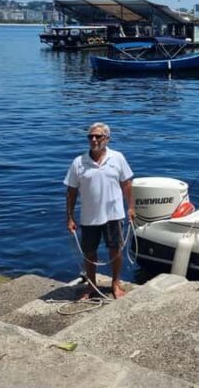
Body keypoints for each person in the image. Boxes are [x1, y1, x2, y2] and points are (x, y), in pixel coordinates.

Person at [65, 122, 134, 299]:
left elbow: (127, 184)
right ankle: (92, 285)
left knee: (115, 249)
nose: (94, 140)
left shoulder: (117, 158)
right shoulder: (79, 162)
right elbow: (71, 192)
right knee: (89, 252)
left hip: (114, 214)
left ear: (107, 138)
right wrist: (70, 217)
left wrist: (131, 207)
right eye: (91, 136)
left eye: (98, 136)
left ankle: (115, 283)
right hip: (89, 217)